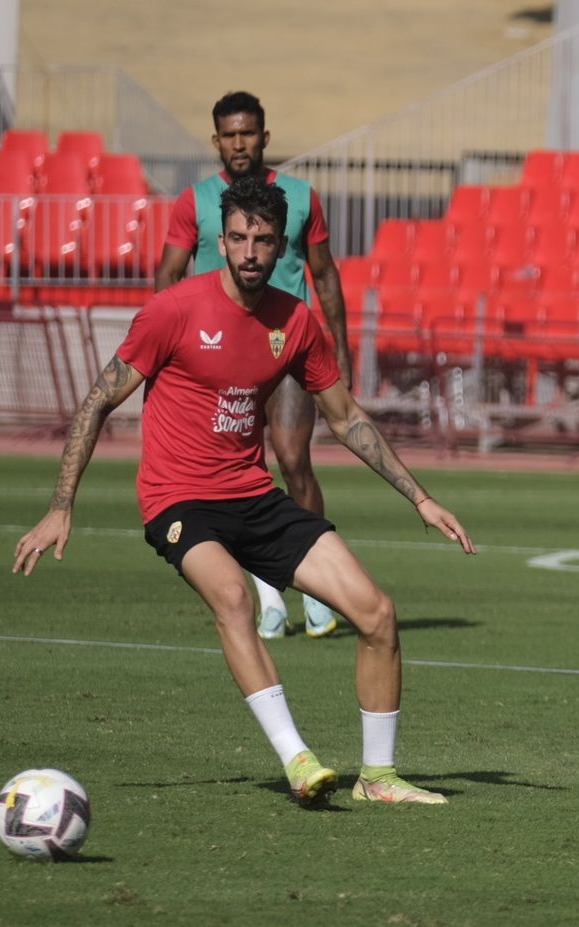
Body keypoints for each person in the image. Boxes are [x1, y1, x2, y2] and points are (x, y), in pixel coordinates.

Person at [17, 176, 473, 805]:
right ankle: (297, 759)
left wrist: (419, 498)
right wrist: (60, 506)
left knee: (377, 613)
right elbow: (98, 400)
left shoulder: (295, 321)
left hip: (253, 496)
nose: (249, 252)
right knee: (234, 598)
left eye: (262, 240)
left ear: (280, 244)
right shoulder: (174, 310)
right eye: (237, 238)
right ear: (222, 240)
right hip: (178, 499)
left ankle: (379, 778)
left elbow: (346, 418)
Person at [156, 90, 352, 640]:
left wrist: (340, 344)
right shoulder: (195, 201)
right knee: (235, 473)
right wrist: (172, 342)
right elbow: (168, 273)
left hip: (285, 349)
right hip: (217, 356)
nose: (239, 143)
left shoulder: (300, 197)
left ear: (264, 137)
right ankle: (270, 600)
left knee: (292, 459)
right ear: (215, 140)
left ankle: (316, 590)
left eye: (247, 133)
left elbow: (324, 273)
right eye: (229, 135)